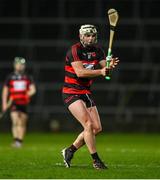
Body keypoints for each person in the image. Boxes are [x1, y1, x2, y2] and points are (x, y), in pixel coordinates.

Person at [61, 24, 119, 169]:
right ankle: (96, 161)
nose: (90, 38)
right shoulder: (74, 50)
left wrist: (109, 66)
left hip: (85, 92)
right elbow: (80, 72)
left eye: (93, 35)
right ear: (81, 36)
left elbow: (105, 70)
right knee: (88, 124)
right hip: (71, 92)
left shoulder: (98, 50)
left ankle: (70, 150)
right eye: (87, 35)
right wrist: (101, 72)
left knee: (97, 128)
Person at [2, 57, 36, 148]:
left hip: (24, 103)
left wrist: (27, 94)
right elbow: (5, 91)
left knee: (22, 123)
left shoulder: (28, 77)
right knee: (15, 121)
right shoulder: (10, 77)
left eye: (22, 64)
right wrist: (4, 103)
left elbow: (33, 90)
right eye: (18, 64)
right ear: (15, 65)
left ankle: (20, 141)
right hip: (14, 103)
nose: (20, 66)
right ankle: (16, 140)